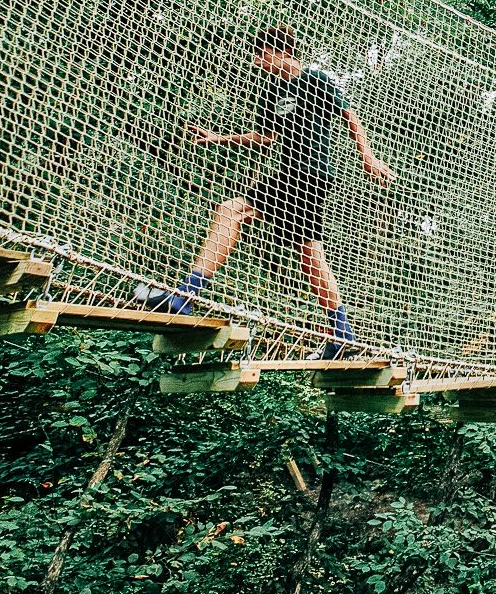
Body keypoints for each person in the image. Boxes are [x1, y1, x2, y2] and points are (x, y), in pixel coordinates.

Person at [152, 25, 394, 359]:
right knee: (310, 254)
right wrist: (219, 138)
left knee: (230, 209)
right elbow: (267, 136)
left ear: (280, 52)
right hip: (292, 175)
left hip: (310, 174)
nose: (256, 62)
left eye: (260, 54)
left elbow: (349, 115)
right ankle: (342, 336)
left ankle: (185, 294)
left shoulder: (315, 79)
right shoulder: (270, 92)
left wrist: (367, 157)